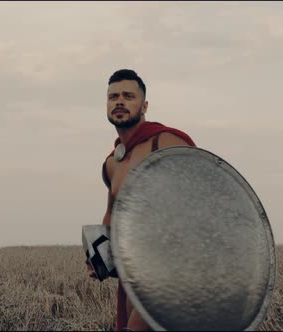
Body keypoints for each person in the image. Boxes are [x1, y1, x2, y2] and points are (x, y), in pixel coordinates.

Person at [86, 69, 197, 331]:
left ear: (144, 105)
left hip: (171, 271)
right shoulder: (112, 163)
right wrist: (99, 257)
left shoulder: (166, 142)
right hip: (133, 270)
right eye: (113, 96)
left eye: (128, 96)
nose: (120, 101)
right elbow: (112, 214)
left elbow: (202, 195)